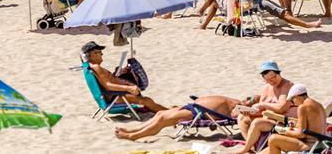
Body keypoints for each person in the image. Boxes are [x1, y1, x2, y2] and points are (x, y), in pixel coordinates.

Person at [228, 61, 297, 154]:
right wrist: (250, 112)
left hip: (282, 121)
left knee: (257, 122)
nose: (272, 81)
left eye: (273, 77)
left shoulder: (287, 85)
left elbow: (282, 108)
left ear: (279, 73)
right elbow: (261, 111)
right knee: (242, 118)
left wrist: (264, 105)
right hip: (268, 118)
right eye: (268, 80)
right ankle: (251, 147)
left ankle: (245, 149)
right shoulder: (267, 88)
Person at [83, 42, 167, 113]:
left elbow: (106, 81)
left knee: (146, 100)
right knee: (147, 101)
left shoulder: (92, 67)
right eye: (100, 52)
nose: (102, 54)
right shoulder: (96, 67)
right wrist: (128, 88)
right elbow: (108, 85)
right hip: (116, 96)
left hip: (115, 95)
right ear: (93, 55)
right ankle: (169, 114)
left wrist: (117, 73)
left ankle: (167, 112)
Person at [114, 95, 242, 141]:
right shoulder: (235, 101)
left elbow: (235, 117)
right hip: (192, 107)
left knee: (162, 119)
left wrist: (244, 108)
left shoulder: (238, 109)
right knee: (160, 114)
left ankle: (134, 136)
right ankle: (133, 130)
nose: (248, 99)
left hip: (198, 113)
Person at [264, 84, 328, 154]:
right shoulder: (319, 105)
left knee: (273, 139)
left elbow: (301, 134)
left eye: (292, 101)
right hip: (322, 144)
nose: (294, 104)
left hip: (310, 146)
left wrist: (283, 131)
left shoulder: (303, 107)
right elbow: (309, 127)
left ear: (297, 97)